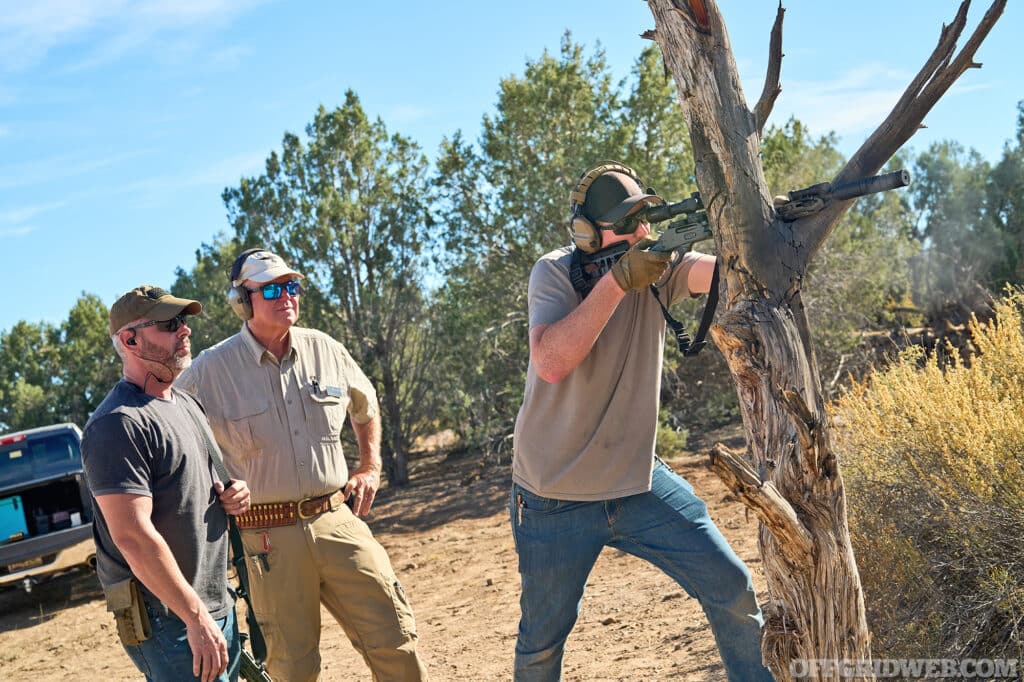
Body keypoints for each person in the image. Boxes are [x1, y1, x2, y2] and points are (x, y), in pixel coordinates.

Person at [510, 163, 775, 681]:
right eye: (627, 225)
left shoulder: (660, 266)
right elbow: (551, 361)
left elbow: (720, 271)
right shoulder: (555, 271)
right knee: (542, 643)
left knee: (732, 588)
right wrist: (618, 282)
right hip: (552, 497)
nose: (641, 234)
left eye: (645, 221)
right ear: (586, 233)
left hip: (636, 481)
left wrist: (759, 233)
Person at [176, 248, 428, 682]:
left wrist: (371, 465)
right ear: (243, 300)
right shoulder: (209, 370)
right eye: (270, 289)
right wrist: (215, 490)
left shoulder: (325, 348)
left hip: (337, 521)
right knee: (293, 669)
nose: (285, 296)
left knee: (395, 640)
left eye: (291, 287)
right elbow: (175, 437)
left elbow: (365, 407)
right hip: (266, 538)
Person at [82, 285, 252, 682]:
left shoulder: (186, 403)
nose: (185, 331)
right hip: (170, 619)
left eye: (184, 321)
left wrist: (232, 494)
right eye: (169, 323)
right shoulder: (118, 423)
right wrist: (194, 618)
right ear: (130, 340)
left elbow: (195, 490)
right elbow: (133, 537)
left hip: (212, 604)